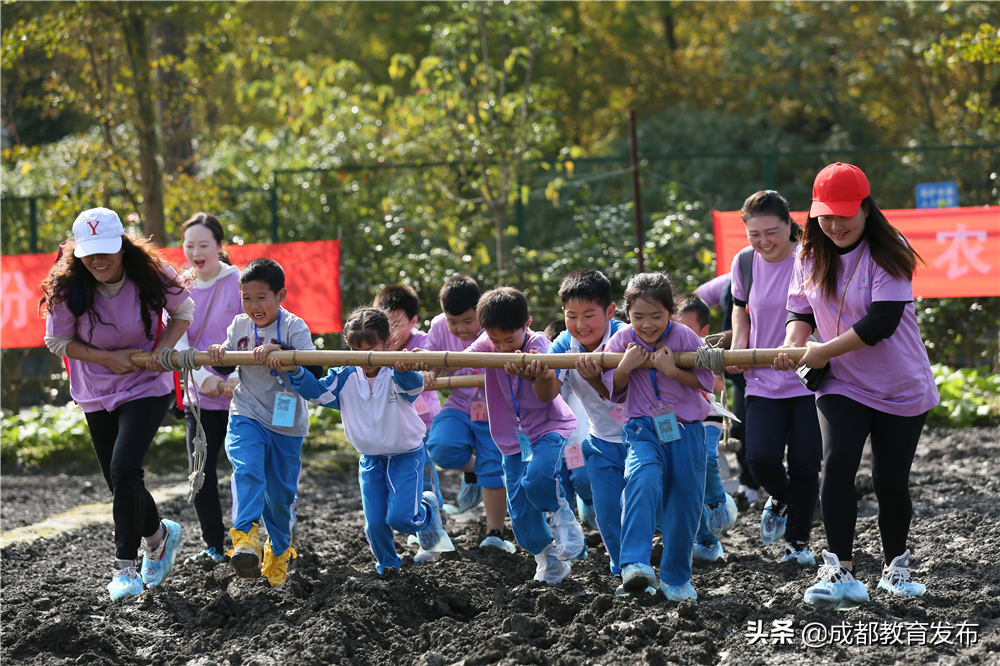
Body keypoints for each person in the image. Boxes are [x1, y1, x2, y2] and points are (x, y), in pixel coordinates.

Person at [775, 162, 939, 609]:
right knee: (838, 463)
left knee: (890, 480)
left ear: (866, 208)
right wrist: (795, 344)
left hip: (900, 383)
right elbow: (801, 312)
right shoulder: (809, 252)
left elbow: (882, 322)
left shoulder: (891, 251)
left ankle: (896, 569)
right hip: (842, 382)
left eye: (845, 214)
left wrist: (823, 350)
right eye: (825, 215)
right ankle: (841, 571)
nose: (835, 224)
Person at [42, 207, 194, 600]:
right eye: (90, 253)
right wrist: (107, 358)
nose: (98, 261)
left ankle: (125, 568)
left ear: (123, 246)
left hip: (147, 381)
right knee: (119, 481)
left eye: (106, 251)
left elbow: (183, 311)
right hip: (96, 387)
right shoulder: (67, 286)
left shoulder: (151, 274)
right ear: (78, 252)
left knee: (125, 467)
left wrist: (162, 349)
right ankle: (160, 536)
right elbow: (57, 341)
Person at [286, 307, 455, 573]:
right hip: (370, 459)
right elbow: (317, 393)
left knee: (400, 518)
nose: (364, 357)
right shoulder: (345, 376)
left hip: (405, 455)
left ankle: (427, 511)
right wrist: (296, 371)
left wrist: (402, 368)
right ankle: (388, 566)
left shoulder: (395, 371)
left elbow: (414, 387)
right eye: (356, 349)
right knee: (375, 524)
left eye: (371, 348)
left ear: (387, 344)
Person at [206, 258, 319, 589]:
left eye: (261, 297)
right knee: (246, 467)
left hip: (286, 422)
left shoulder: (294, 328)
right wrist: (219, 356)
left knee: (280, 496)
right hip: (247, 412)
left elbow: (314, 375)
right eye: (246, 298)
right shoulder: (239, 326)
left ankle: (279, 551)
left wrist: (283, 352)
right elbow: (226, 366)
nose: (253, 305)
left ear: (280, 295)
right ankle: (245, 536)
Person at [602, 273, 714, 602]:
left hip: (686, 429)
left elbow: (705, 382)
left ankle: (676, 576)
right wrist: (624, 367)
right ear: (627, 314)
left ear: (671, 311)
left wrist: (672, 371)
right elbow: (613, 390)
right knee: (642, 477)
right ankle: (635, 562)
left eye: (656, 316)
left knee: (685, 502)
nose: (647, 324)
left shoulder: (686, 337)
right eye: (638, 317)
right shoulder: (622, 340)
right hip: (642, 428)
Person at [727, 191, 823, 567]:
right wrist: (738, 347)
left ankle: (797, 543)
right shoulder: (744, 262)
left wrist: (798, 344)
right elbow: (740, 308)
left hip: (808, 377)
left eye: (772, 232)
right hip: (762, 378)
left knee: (805, 464)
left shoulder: (811, 258)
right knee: (760, 457)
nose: (764, 241)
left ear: (789, 225)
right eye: (755, 234)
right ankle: (782, 497)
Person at [467, 287, 584, 584]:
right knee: (519, 510)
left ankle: (562, 515)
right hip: (512, 438)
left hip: (548, 428)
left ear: (527, 324)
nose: (503, 346)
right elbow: (461, 358)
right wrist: (425, 361)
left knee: (537, 480)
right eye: (496, 340)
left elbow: (547, 383)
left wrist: (536, 373)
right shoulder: (486, 344)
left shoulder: (539, 344)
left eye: (510, 339)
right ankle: (547, 557)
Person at [533, 270, 629, 575]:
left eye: (589, 315)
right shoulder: (564, 343)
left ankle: (695, 539)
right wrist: (539, 374)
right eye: (571, 316)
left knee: (658, 505)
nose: (580, 325)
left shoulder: (626, 336)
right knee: (608, 512)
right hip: (601, 439)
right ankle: (624, 569)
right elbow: (548, 393)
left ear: (610, 311)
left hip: (643, 435)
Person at [424, 276, 512, 552]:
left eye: (467, 321)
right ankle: (473, 471)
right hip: (460, 403)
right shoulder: (438, 326)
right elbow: (432, 358)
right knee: (440, 445)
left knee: (494, 468)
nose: (460, 329)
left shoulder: (494, 327)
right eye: (453, 322)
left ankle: (495, 532)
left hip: (496, 407)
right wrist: (430, 372)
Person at [175, 212, 242, 562]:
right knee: (199, 472)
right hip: (200, 398)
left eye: (203, 244)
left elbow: (257, 331)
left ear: (220, 246)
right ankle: (215, 546)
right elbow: (179, 341)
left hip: (243, 395)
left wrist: (234, 379)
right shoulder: (179, 288)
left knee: (246, 468)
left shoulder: (240, 281)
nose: (196, 252)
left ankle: (249, 537)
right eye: (189, 245)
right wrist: (206, 379)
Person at [672, 293, 738, 564]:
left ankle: (718, 500)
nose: (681, 335)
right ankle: (706, 539)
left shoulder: (706, 349)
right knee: (687, 477)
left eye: (687, 329)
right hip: (677, 420)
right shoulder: (664, 349)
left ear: (704, 331)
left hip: (707, 416)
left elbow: (718, 386)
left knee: (708, 457)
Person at [697, 273, 759, 502]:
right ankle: (748, 484)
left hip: (775, 365)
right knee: (742, 429)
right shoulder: (734, 274)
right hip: (741, 372)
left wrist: (706, 341)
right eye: (755, 234)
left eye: (769, 233)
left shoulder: (789, 272)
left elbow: (764, 328)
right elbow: (691, 301)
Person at [542, 318, 598, 533]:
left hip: (578, 444)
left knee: (584, 482)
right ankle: (572, 537)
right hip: (557, 447)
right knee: (561, 492)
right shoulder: (548, 383)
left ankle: (589, 505)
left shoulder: (579, 379)